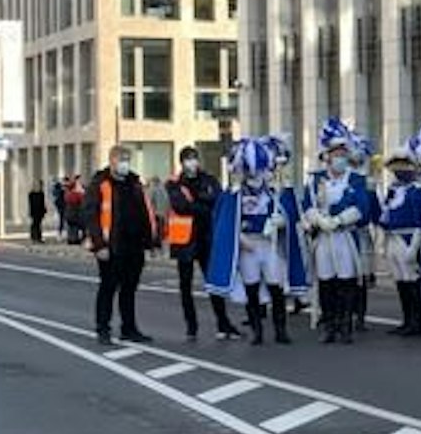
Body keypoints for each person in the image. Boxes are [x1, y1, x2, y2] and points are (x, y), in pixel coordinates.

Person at [205, 137, 305, 346]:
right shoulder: (235, 194)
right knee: (251, 289)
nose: (255, 174)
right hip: (248, 245)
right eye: (251, 170)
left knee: (276, 287)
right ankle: (257, 331)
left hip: (269, 244)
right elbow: (224, 221)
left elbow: (292, 214)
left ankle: (280, 330)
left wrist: (282, 220)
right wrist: (238, 238)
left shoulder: (274, 193)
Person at [305, 118, 378, 345]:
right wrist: (317, 219)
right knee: (326, 282)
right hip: (324, 238)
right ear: (327, 156)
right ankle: (329, 325)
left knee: (346, 281)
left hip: (345, 236)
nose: (339, 158)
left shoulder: (356, 179)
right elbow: (307, 205)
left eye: (343, 154)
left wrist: (338, 220)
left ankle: (346, 325)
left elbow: (362, 207)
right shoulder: (316, 180)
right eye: (335, 154)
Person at [84, 145, 159, 344]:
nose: (125, 163)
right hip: (111, 246)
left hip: (133, 245)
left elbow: (145, 212)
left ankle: (129, 328)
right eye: (122, 159)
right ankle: (103, 328)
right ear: (112, 161)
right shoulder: (100, 183)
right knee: (108, 287)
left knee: (129, 289)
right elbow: (91, 216)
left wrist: (151, 242)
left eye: (127, 159)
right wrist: (99, 245)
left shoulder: (134, 182)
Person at [166, 146, 241, 341]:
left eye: (194, 158)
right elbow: (181, 206)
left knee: (214, 283)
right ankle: (191, 327)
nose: (192, 162)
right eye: (188, 159)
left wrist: (199, 203)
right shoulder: (174, 183)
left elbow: (216, 200)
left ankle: (223, 323)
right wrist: (203, 202)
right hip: (184, 241)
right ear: (181, 162)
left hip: (206, 238)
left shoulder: (208, 179)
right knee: (185, 286)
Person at [379, 139, 421, 338]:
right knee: (400, 281)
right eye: (397, 165)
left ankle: (416, 323)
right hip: (393, 237)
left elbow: (420, 221)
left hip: (409, 238)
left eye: (405, 165)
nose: (400, 169)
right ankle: (406, 319)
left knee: (412, 281)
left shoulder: (417, 191)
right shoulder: (392, 190)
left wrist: (415, 246)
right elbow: (385, 215)